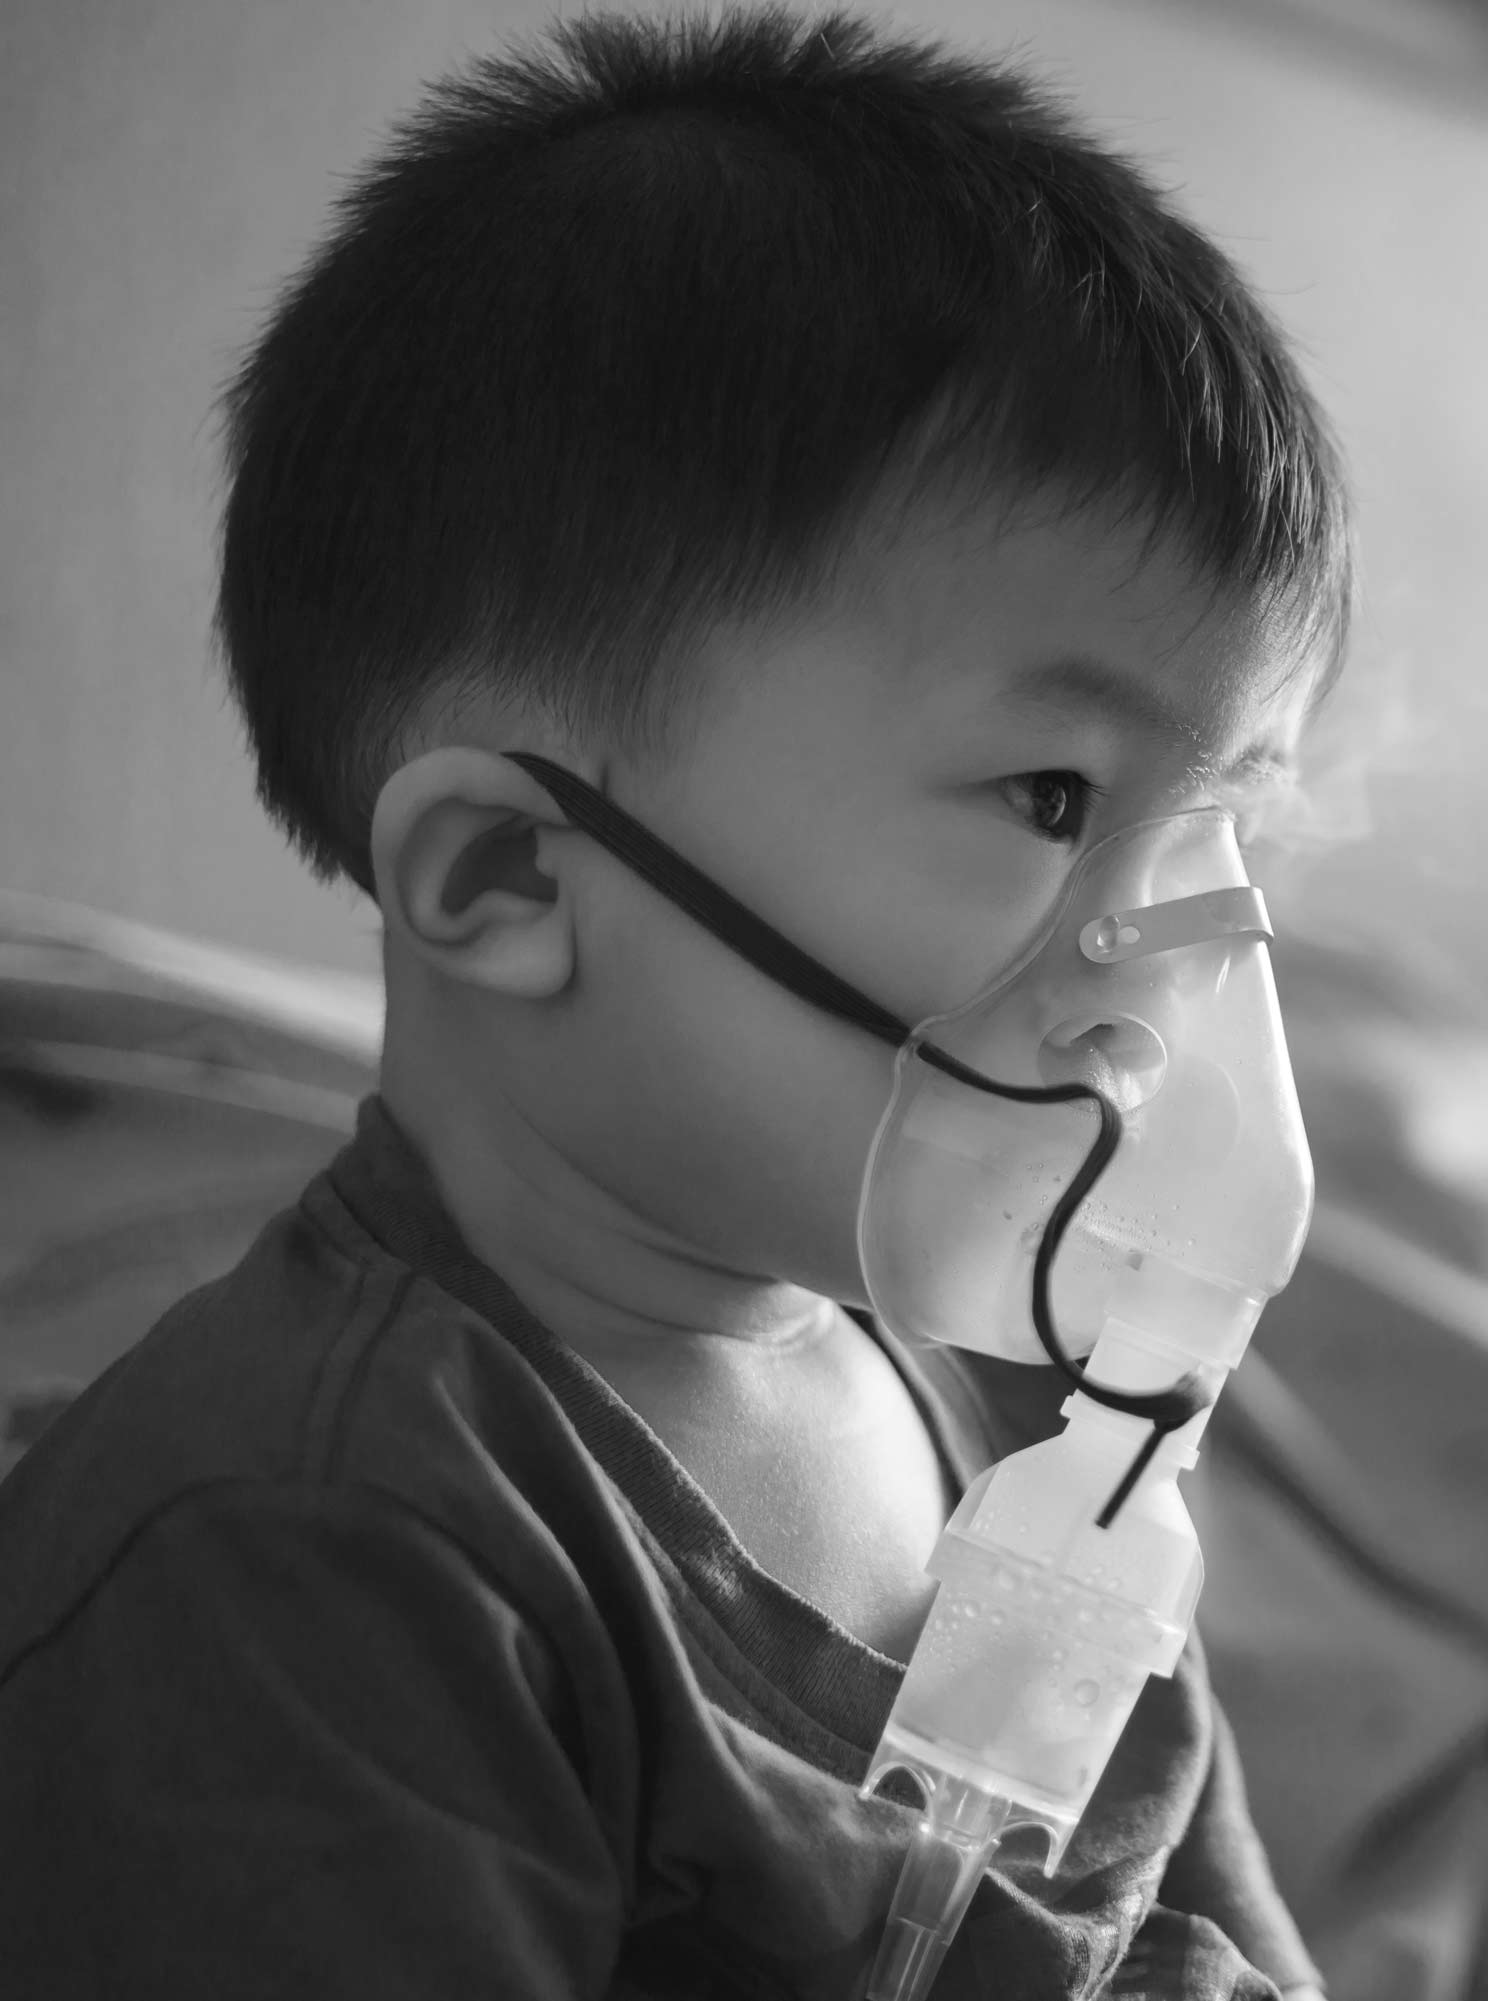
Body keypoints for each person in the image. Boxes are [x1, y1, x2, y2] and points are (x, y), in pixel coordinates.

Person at [0, 10, 1348, 1996]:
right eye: (1057, 797)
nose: (1161, 991)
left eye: (1219, 823)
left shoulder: (1034, 1442)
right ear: (510, 878)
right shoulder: (306, 1545)